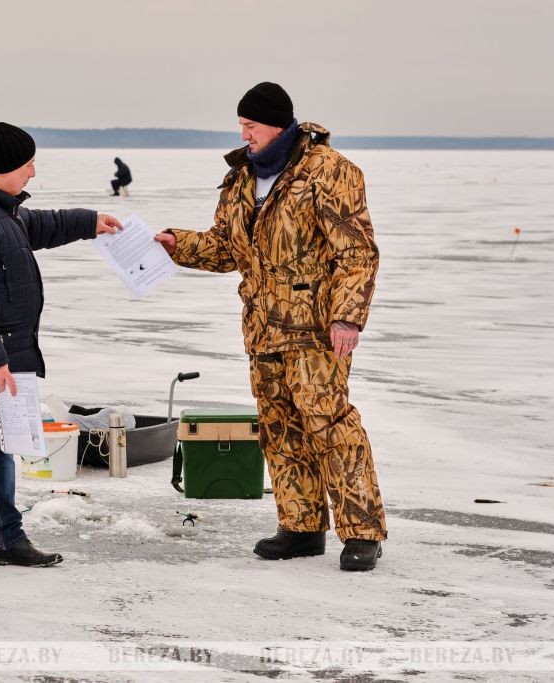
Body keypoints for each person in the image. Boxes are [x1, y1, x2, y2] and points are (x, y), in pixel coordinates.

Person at [154, 82, 387, 571]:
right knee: (280, 430)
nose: (244, 134)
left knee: (330, 425)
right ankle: (300, 528)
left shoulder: (329, 170)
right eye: (241, 125)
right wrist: (179, 244)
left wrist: (347, 316)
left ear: (278, 125)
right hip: (263, 329)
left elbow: (356, 252)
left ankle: (362, 531)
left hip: (315, 329)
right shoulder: (241, 178)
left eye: (251, 125)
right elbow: (226, 248)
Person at [0, 121, 122, 578]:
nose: (33, 172)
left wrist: (88, 222)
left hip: (4, 358)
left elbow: (39, 225)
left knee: (1, 451)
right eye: (28, 164)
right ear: (4, 167)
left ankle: (5, 539)